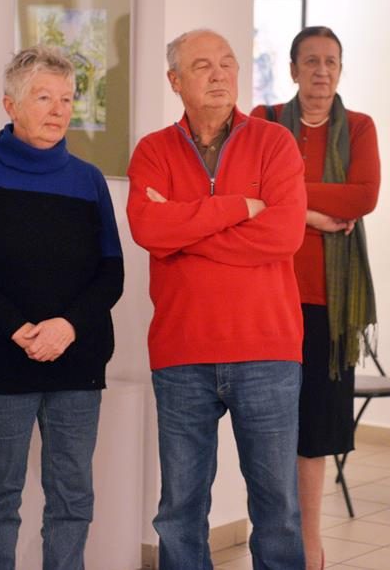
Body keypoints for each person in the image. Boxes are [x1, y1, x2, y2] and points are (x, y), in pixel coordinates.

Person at [0, 45, 124, 570]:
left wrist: (67, 326)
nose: (58, 110)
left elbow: (111, 273)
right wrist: (17, 328)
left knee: (73, 496)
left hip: (76, 358)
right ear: (11, 105)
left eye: (66, 98)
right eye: (44, 97)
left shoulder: (88, 179)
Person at [127, 29, 307, 569]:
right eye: (202, 65)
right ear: (175, 80)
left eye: (227, 63)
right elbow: (148, 229)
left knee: (278, 509)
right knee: (179, 511)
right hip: (182, 353)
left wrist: (183, 230)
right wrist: (238, 208)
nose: (219, 74)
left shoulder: (275, 143)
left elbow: (283, 235)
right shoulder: (153, 150)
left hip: (267, 350)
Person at [250, 25, 380, 570]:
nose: (321, 71)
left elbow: (363, 196)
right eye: (311, 61)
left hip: (329, 306)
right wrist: (311, 215)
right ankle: (274, 544)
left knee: (314, 433)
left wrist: (285, 199)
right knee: (267, 432)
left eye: (331, 62)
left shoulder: (360, 127)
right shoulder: (263, 123)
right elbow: (248, 189)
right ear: (293, 69)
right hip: (267, 300)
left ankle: (309, 546)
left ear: (340, 70)